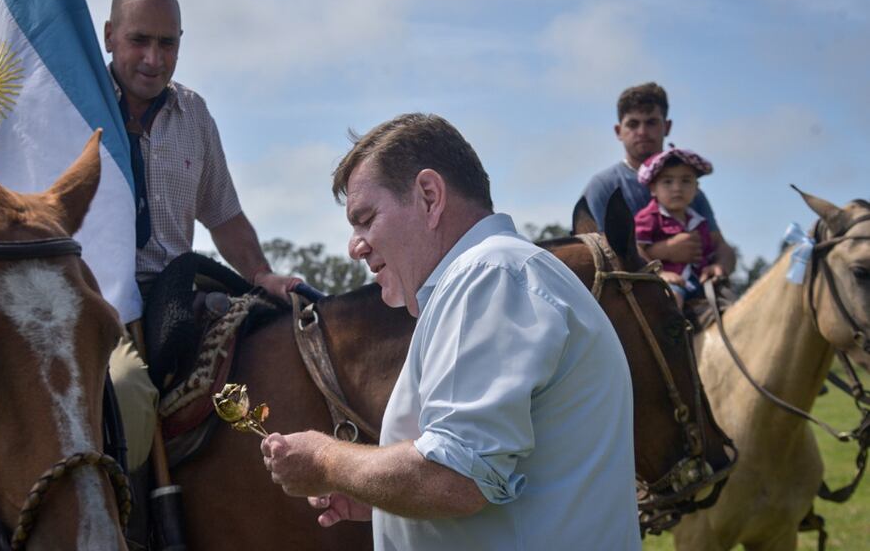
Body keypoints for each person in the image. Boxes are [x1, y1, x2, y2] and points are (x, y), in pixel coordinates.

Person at [261, 113, 641, 550]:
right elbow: (493, 475)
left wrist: (327, 461)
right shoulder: (505, 274)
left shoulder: (488, 276)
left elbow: (455, 478)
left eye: (365, 218)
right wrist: (381, 496)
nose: (354, 247)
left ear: (429, 196)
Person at [103, 0, 301, 471]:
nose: (153, 58)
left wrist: (262, 274)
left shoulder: (193, 113)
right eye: (138, 40)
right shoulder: (74, 105)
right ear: (109, 36)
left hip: (174, 292)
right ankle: (122, 508)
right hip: (99, 299)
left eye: (167, 43)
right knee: (125, 390)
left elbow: (224, 214)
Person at [582, 82, 736, 275]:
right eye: (633, 124)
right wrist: (663, 252)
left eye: (651, 122)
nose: (642, 132)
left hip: (698, 290)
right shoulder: (603, 187)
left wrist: (720, 267)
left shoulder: (689, 189)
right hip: (631, 292)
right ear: (618, 131)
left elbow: (721, 246)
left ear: (667, 126)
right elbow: (594, 257)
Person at [635, 147, 725, 307]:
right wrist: (659, 273)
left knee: (731, 302)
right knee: (672, 300)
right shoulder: (648, 218)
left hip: (700, 281)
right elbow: (636, 248)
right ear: (653, 188)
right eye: (667, 181)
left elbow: (708, 251)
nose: (677, 188)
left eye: (686, 181)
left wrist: (712, 267)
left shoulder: (699, 221)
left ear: (697, 188)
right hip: (668, 282)